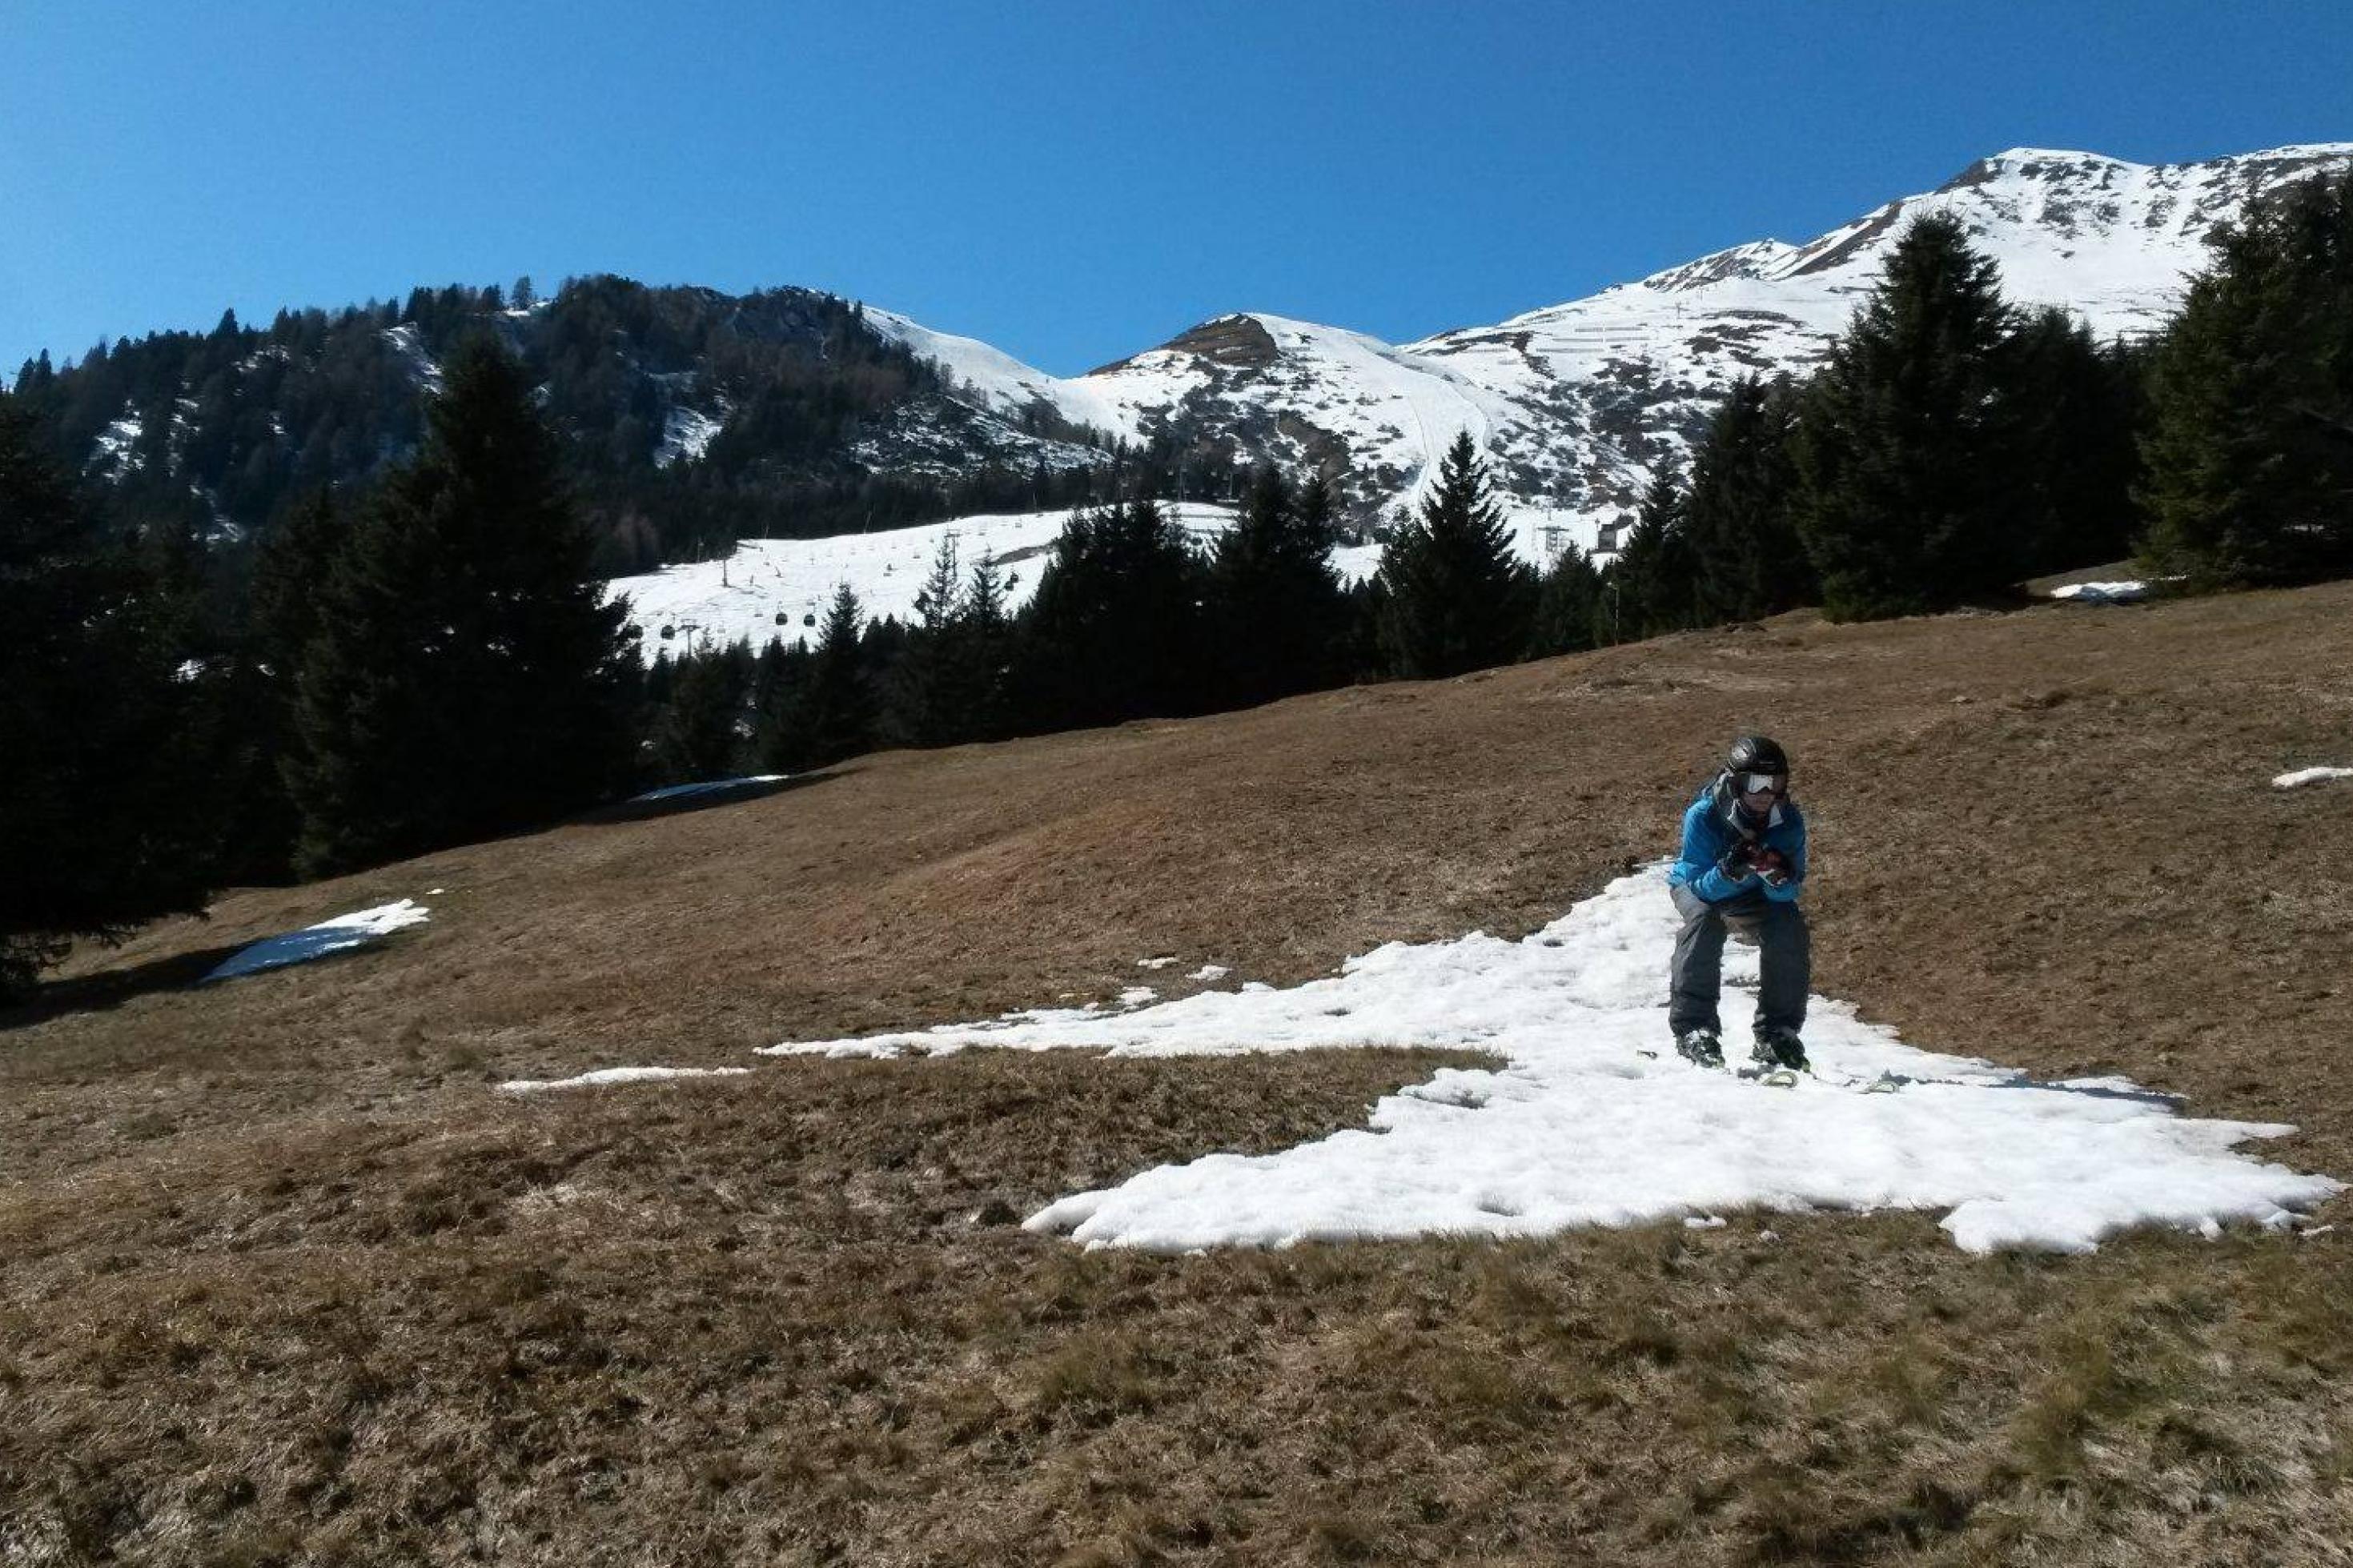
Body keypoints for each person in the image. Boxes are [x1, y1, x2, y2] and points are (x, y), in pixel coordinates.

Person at [1666, 735, 1809, 1072]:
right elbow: (1701, 889)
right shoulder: (1703, 815)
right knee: (1704, 921)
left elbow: (1790, 891)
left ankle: (1778, 1033)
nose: (1765, 794)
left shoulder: (1789, 821)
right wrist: (1730, 871)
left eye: (1774, 783)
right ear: (1735, 782)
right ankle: (1694, 1029)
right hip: (1698, 884)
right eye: (1755, 782)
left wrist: (1777, 878)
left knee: (1788, 926)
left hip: (1753, 892)